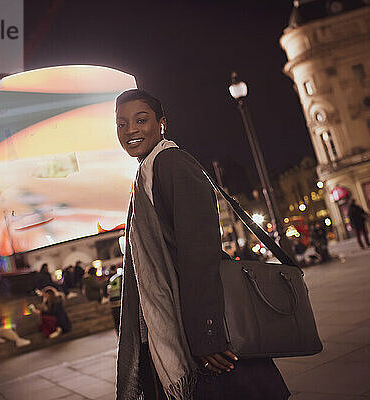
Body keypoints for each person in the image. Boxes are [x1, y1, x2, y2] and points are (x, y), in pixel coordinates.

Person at [114, 89, 289, 400]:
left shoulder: (172, 164)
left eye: (141, 120)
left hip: (200, 325)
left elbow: (200, 254)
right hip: (180, 317)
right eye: (122, 124)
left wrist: (207, 334)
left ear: (162, 123)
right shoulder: (147, 170)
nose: (130, 130)